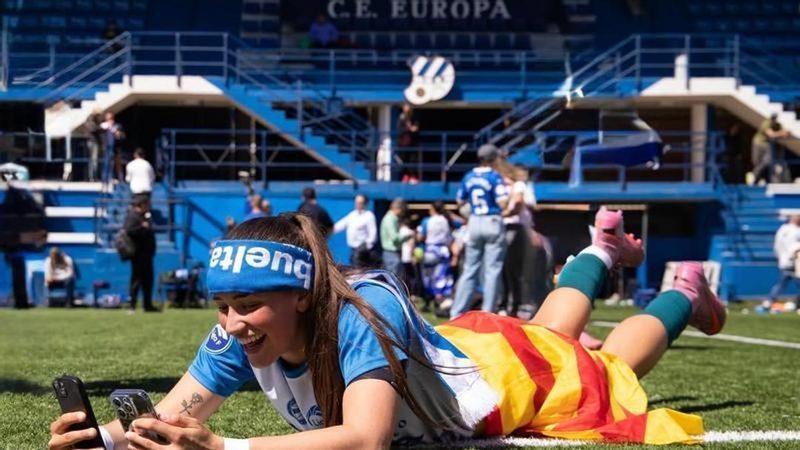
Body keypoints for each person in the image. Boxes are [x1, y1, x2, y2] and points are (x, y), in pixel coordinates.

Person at [48, 210, 725, 448]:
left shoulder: (361, 313)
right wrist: (101, 440)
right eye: (222, 303)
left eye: (248, 304)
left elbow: (367, 440)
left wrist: (224, 448)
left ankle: (682, 294)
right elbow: (168, 417)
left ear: (304, 296)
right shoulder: (243, 332)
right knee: (552, 331)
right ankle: (601, 251)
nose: (231, 323)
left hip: (501, 384)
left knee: (608, 369)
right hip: (466, 352)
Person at [450, 144, 509, 318]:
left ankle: (457, 311)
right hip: (492, 220)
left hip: (474, 221)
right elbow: (503, 202)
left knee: (469, 269)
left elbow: (459, 200)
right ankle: (488, 312)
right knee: (492, 270)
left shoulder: (469, 176)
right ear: (493, 159)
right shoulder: (494, 176)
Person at [419, 201, 454, 313]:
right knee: (441, 277)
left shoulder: (427, 221)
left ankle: (429, 301)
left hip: (430, 251)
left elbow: (421, 236)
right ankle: (440, 302)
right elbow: (449, 238)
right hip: (443, 251)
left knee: (428, 277)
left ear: (433, 209)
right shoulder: (445, 221)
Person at [124, 198, 157, 312]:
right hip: (138, 254)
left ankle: (147, 305)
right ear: (141, 204)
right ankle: (132, 305)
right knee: (136, 280)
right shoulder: (133, 216)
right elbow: (129, 230)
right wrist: (142, 227)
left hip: (146, 254)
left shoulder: (143, 216)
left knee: (148, 280)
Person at [764, 214, 800, 311]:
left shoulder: (782, 229)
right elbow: (795, 248)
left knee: (781, 283)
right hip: (795, 261)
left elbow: (776, 246)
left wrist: (779, 257)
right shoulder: (796, 231)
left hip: (783, 260)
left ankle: (769, 301)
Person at [333, 194, 377, 268]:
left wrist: (366, 247)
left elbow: (373, 234)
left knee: (360, 271)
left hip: (363, 251)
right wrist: (328, 230)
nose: (358, 205)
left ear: (365, 204)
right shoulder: (352, 215)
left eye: (360, 203)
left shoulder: (369, 216)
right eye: (356, 202)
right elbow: (340, 225)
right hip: (354, 250)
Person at [750, 113, 790, 185]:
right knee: (757, 161)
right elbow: (771, 134)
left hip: (767, 144)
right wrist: (781, 133)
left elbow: (785, 133)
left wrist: (781, 133)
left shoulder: (777, 124)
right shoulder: (766, 123)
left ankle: (758, 177)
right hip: (759, 143)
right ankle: (756, 177)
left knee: (768, 161)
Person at [379, 198, 409, 279]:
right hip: (391, 254)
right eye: (403, 211)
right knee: (393, 280)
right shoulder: (390, 219)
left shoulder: (392, 219)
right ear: (398, 209)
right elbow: (395, 238)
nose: (402, 214)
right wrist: (408, 236)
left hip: (392, 254)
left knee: (395, 279)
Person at [99, 111, 125, 183]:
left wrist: (118, 134)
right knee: (107, 163)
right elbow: (99, 136)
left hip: (116, 147)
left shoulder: (117, 126)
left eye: (111, 118)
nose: (110, 120)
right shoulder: (102, 126)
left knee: (118, 163)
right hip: (106, 147)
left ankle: (120, 179)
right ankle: (105, 179)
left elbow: (122, 136)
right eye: (109, 118)